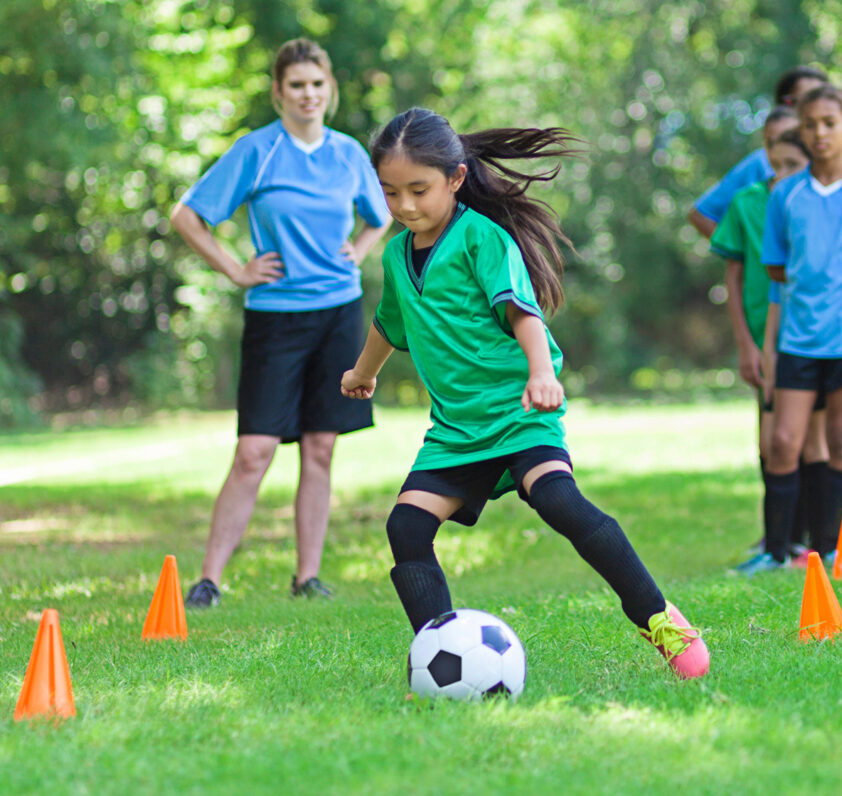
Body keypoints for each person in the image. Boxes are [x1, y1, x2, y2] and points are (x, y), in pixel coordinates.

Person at [340, 107, 709, 679]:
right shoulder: (394, 253)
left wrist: (542, 373)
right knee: (406, 528)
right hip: (458, 430)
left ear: (456, 179)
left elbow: (521, 309)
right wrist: (365, 372)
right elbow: (391, 323)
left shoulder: (482, 238)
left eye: (419, 189)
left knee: (559, 501)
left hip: (518, 412)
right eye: (391, 193)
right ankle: (436, 657)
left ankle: (658, 616)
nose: (406, 206)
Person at [169, 39, 391, 607]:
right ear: (278, 92)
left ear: (330, 88)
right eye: (296, 85)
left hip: (338, 315)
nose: (308, 95)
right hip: (275, 317)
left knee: (320, 447)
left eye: (317, 84)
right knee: (255, 451)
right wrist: (235, 271)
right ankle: (209, 580)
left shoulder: (347, 154)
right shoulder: (257, 151)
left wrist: (361, 249)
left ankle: (307, 578)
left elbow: (383, 212)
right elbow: (187, 216)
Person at [736, 84, 842, 575]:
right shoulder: (786, 195)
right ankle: (777, 549)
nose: (819, 133)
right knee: (784, 441)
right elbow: (776, 268)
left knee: (841, 438)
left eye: (829, 123)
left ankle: (837, 547)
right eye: (810, 125)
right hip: (797, 342)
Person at [710, 123, 820, 559]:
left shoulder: (814, 204)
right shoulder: (749, 201)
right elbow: (733, 277)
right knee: (772, 440)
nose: (780, 177)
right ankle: (779, 540)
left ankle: (809, 539)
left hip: (813, 338)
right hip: (765, 337)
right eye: (774, 167)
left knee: (808, 441)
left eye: (791, 167)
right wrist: (747, 343)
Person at [688, 66, 827, 239]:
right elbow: (701, 214)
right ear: (785, 105)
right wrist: (743, 254)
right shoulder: (759, 162)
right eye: (803, 101)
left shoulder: (840, 165)